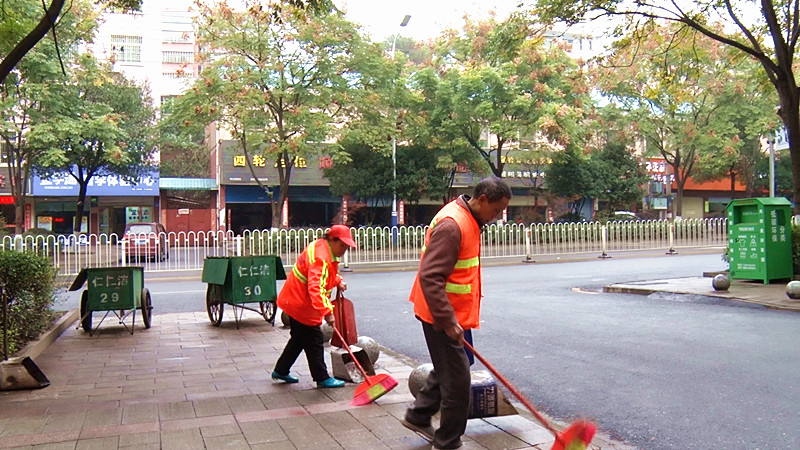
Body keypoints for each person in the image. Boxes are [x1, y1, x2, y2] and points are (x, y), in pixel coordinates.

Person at [402, 177, 512, 449]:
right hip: (440, 316)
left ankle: (418, 414)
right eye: (496, 210)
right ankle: (448, 440)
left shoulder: (470, 220)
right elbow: (431, 277)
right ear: (483, 199)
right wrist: (448, 322)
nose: (496, 217)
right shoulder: (454, 225)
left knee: (453, 367)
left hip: (454, 314)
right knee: (459, 383)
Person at [272, 224, 356, 388]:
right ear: (332, 240)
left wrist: (337, 281)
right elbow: (316, 288)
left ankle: (281, 370)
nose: (344, 250)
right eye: (342, 245)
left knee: (298, 339)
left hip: (294, 300)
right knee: (314, 339)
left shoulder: (322, 246)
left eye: (347, 247)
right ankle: (322, 377)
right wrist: (327, 312)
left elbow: (326, 273)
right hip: (301, 304)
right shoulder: (321, 258)